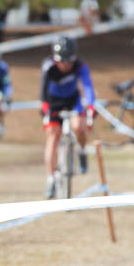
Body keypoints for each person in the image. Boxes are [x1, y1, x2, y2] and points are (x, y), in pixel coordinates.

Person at [40, 36, 95, 198]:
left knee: (79, 127)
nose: (65, 65)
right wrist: (45, 108)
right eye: (62, 62)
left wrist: (90, 105)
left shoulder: (80, 65)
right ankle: (51, 178)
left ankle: (82, 151)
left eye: (68, 62)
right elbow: (42, 92)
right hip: (53, 102)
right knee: (53, 135)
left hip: (73, 100)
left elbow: (87, 86)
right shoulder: (48, 66)